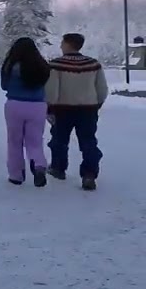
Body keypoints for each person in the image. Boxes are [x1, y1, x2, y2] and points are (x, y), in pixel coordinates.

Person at [45, 32, 108, 190]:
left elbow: (52, 90)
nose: (60, 46)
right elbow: (102, 89)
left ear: (68, 44)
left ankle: (58, 168)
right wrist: (96, 104)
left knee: (59, 140)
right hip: (88, 110)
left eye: (62, 43)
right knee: (88, 142)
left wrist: (49, 108)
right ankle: (89, 174)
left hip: (62, 109)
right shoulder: (93, 64)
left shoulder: (56, 65)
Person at [0, 36, 51, 187]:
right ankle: (39, 165)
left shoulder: (10, 66)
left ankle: (16, 175)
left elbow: (4, 86)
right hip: (38, 106)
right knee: (35, 141)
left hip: (15, 105)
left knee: (14, 141)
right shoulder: (42, 66)